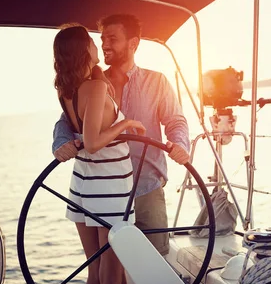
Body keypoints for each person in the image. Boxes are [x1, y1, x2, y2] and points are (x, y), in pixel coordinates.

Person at [52, 14, 190, 256]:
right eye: (102, 39)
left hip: (146, 186)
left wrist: (180, 146)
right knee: (111, 268)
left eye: (112, 39)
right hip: (108, 191)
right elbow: (67, 117)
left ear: (133, 43)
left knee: (156, 265)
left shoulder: (157, 81)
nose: (105, 44)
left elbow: (175, 120)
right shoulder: (93, 82)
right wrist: (61, 142)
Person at [53, 24, 146, 284]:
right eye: (92, 43)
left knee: (95, 271)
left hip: (84, 183)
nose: (98, 46)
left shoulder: (67, 90)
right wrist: (126, 123)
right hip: (110, 186)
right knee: (111, 272)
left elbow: (83, 134)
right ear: (84, 51)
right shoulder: (94, 88)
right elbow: (93, 142)